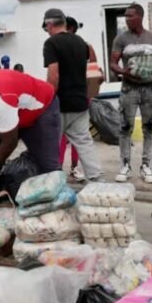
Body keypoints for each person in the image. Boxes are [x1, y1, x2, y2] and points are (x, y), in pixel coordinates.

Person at [42, 8, 104, 183]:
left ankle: (52, 183)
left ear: (49, 24)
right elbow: (93, 72)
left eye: (46, 27)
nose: (47, 31)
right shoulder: (81, 43)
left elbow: (54, 75)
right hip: (80, 102)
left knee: (51, 145)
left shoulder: (51, 44)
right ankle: (98, 180)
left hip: (60, 103)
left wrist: (47, 101)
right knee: (84, 142)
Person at [110, 3, 152, 184]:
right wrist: (124, 71)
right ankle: (125, 165)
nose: (127, 19)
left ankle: (146, 165)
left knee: (149, 128)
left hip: (149, 87)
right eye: (125, 16)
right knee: (125, 128)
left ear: (140, 16)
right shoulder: (121, 39)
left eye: (130, 16)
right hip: (129, 87)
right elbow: (113, 63)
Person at [61, 15, 102, 181]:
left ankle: (60, 171)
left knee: (63, 138)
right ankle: (77, 169)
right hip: (82, 96)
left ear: (69, 28)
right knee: (81, 137)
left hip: (66, 97)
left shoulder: (60, 47)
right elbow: (94, 71)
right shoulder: (86, 47)